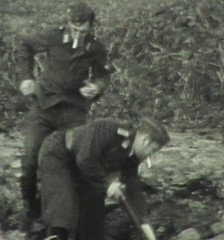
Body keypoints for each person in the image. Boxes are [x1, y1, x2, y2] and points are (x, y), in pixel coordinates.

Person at [17, 1, 112, 230]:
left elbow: (103, 76)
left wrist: (97, 87)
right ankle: (31, 208)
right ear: (68, 23)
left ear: (91, 27)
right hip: (45, 108)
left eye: (84, 30)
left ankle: (66, 219)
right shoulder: (52, 37)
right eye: (75, 28)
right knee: (31, 159)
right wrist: (26, 77)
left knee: (72, 163)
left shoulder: (96, 47)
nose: (79, 34)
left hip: (73, 112)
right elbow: (25, 45)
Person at [38, 117, 170, 240]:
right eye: (152, 151)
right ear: (145, 140)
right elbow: (85, 159)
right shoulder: (110, 129)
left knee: (94, 219)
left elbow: (133, 188)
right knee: (64, 207)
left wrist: (144, 222)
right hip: (59, 155)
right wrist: (107, 184)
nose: (150, 156)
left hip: (86, 171)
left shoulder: (132, 158)